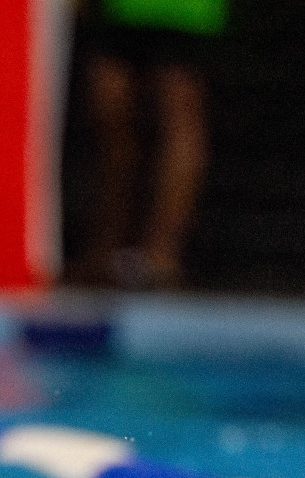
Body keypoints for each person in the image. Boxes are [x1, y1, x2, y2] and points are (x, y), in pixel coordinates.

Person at [68, 0, 225, 290]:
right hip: (114, 12)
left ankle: (161, 255)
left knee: (178, 112)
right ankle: (105, 247)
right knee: (109, 116)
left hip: (183, 12)